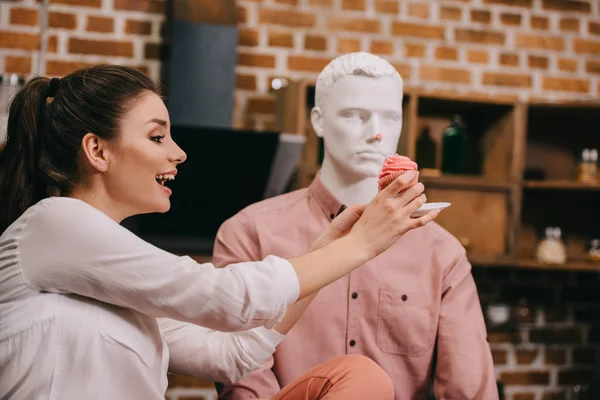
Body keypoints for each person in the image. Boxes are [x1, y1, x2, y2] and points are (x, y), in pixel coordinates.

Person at [0, 64, 440, 400]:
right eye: (157, 138)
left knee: (357, 376)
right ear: (97, 150)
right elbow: (226, 298)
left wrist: (332, 246)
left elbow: (231, 355)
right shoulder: (52, 224)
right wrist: (363, 246)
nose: (178, 152)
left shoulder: (113, 271)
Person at [213, 52, 498, 400]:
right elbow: (242, 378)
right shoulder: (249, 233)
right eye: (354, 115)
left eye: (390, 117)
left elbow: (469, 390)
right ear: (318, 121)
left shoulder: (441, 252)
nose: (376, 134)